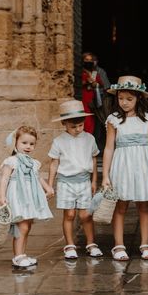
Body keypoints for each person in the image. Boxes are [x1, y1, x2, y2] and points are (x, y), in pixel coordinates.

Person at [101, 76, 148, 261]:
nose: (124, 103)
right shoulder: (114, 120)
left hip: (143, 165)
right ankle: (118, 245)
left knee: (144, 205)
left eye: (129, 99)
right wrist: (105, 175)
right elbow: (109, 147)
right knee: (121, 205)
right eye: (121, 98)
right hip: (122, 164)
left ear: (139, 98)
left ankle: (145, 243)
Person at [47, 100, 104, 260]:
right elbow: (54, 163)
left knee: (86, 215)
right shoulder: (59, 141)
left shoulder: (89, 139)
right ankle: (70, 245)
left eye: (80, 125)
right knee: (70, 214)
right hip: (65, 182)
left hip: (84, 181)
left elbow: (93, 160)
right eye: (73, 126)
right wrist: (50, 185)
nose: (78, 129)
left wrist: (94, 181)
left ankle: (91, 244)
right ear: (64, 123)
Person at [0, 125, 54, 268]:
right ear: (15, 142)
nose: (28, 146)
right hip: (18, 197)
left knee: (27, 226)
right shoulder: (11, 161)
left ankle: (22, 254)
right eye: (24, 143)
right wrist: (2, 196)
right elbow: (4, 179)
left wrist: (47, 187)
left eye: (31, 144)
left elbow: (37, 177)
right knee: (21, 227)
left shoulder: (33, 163)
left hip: (30, 198)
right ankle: (17, 256)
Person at [81, 52, 103, 135]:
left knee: (92, 123)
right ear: (82, 61)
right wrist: (86, 82)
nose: (89, 62)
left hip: (92, 101)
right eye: (86, 60)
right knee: (86, 122)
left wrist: (95, 84)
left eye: (90, 60)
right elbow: (75, 83)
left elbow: (101, 84)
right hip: (83, 101)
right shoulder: (80, 72)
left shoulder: (94, 73)